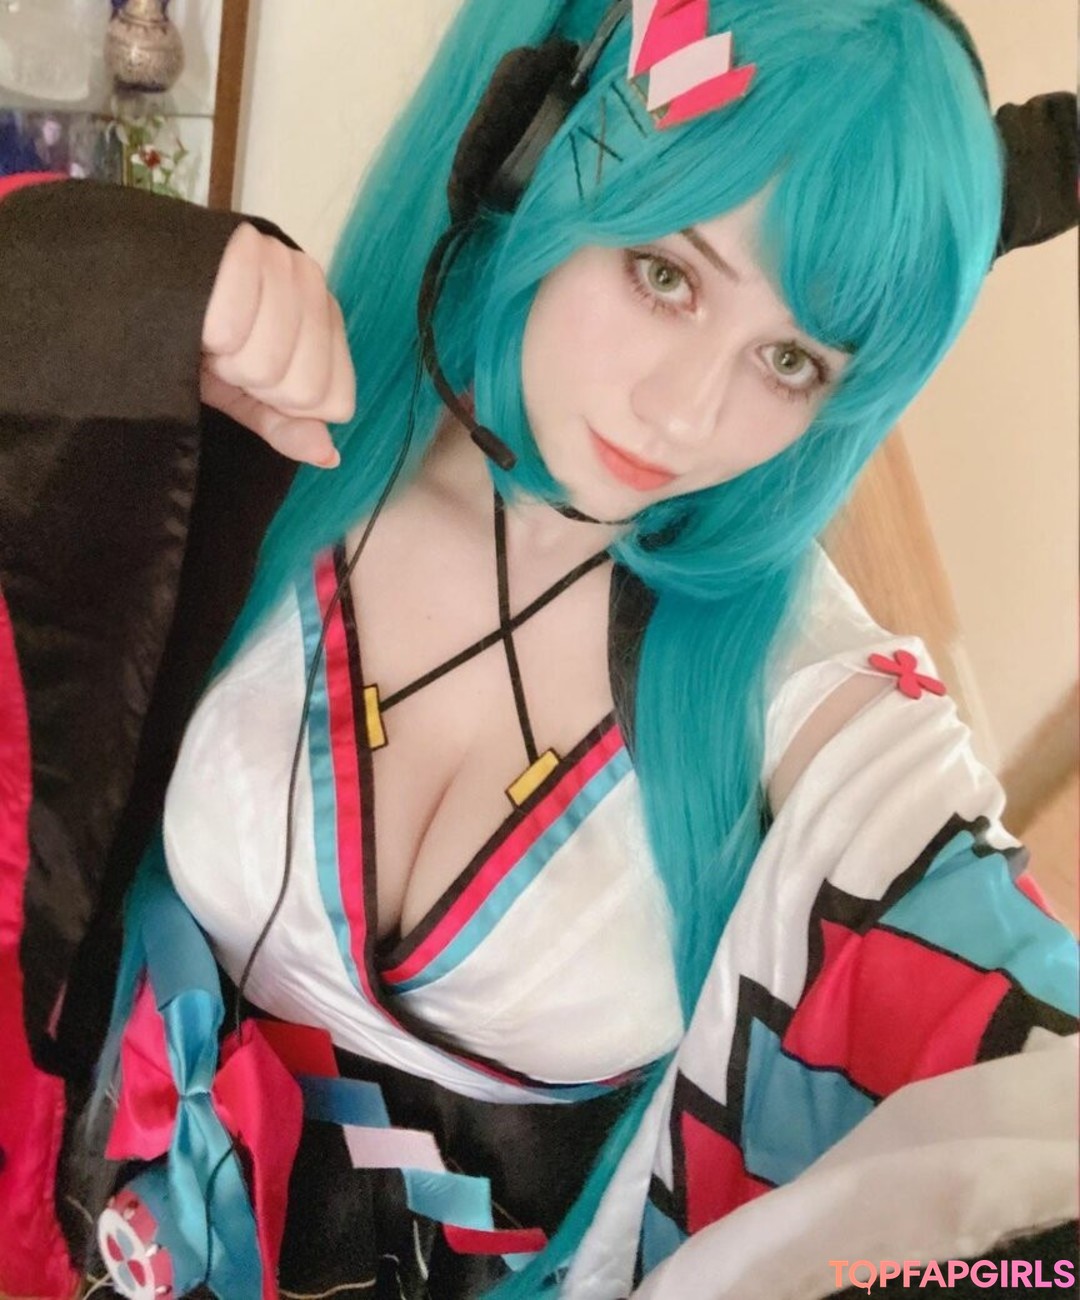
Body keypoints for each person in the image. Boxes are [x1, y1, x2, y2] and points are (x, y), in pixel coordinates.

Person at [0, 1, 1076, 1297]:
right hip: (91, 1222)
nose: (684, 413)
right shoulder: (272, 431)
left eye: (790, 360)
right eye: (666, 273)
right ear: (528, 145)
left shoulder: (820, 713)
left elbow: (1028, 1080)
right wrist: (103, 287)